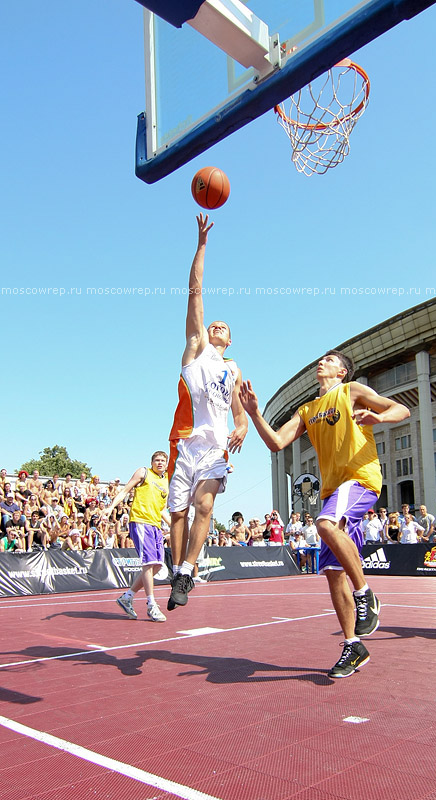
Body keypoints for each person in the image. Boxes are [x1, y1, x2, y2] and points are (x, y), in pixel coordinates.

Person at [239, 349, 410, 678]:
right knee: (333, 573)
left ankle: (366, 595)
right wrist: (255, 413)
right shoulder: (307, 409)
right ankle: (353, 645)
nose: (322, 362)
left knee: (324, 523)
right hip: (335, 491)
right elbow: (277, 443)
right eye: (322, 359)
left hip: (360, 480)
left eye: (331, 361)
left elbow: (400, 408)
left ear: (342, 372)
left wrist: (380, 417)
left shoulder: (352, 391)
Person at [167, 214, 247, 611]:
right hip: (188, 446)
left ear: (230, 339)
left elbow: (239, 411)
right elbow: (195, 292)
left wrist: (242, 426)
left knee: (205, 506)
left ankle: (187, 570)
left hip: (216, 449)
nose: (216, 325)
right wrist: (201, 245)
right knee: (177, 515)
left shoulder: (231, 369)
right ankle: (177, 567)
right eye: (214, 323)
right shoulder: (197, 350)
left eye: (223, 327)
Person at [113, 451, 171, 623]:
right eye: (157, 460)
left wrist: (175, 526)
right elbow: (124, 491)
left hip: (155, 525)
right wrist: (110, 508)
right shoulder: (144, 472)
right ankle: (151, 604)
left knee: (157, 566)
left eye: (163, 460)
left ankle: (127, 596)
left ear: (167, 464)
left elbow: (161, 510)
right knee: (148, 562)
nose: (160, 463)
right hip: (140, 521)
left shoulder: (166, 482)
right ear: (152, 462)